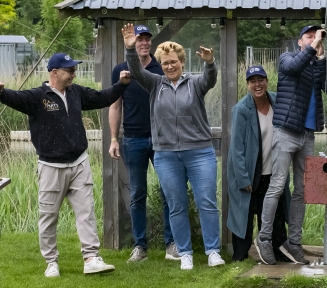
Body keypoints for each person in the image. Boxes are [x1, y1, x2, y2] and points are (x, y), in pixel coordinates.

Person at [0, 52, 130, 277]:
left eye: (74, 69)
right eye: (69, 70)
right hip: (51, 166)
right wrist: (0, 92)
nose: (74, 73)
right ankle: (51, 262)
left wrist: (121, 85)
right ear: (54, 72)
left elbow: (103, 97)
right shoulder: (37, 96)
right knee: (48, 215)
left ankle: (91, 258)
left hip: (79, 162)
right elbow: (15, 99)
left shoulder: (77, 92)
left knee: (86, 212)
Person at [121, 23, 223, 270]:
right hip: (166, 155)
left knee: (206, 202)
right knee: (176, 205)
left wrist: (210, 62)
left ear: (182, 62)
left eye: (173, 61)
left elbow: (211, 79)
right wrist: (130, 50)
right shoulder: (154, 84)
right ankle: (185, 252)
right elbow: (135, 68)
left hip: (199, 152)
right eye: (165, 62)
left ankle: (213, 251)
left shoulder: (195, 83)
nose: (169, 66)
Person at [255, 25, 327, 266]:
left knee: (302, 190)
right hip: (286, 130)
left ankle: (293, 243)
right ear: (299, 42)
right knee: (277, 185)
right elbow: (293, 68)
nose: (314, 40)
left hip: (307, 134)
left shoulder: (314, 63)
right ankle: (264, 238)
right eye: (309, 36)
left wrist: (322, 57)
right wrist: (313, 46)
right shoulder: (287, 57)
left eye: (316, 36)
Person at [108, 24, 174, 263]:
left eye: (147, 39)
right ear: (132, 43)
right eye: (139, 39)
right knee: (137, 193)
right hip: (133, 139)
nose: (144, 43)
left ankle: (171, 244)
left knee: (168, 190)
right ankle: (140, 246)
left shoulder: (162, 67)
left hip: (161, 140)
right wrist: (114, 139)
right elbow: (115, 105)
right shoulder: (120, 70)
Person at [226, 65, 291, 262]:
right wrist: (243, 178)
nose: (257, 84)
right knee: (244, 215)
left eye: (260, 79)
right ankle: (240, 255)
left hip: (274, 172)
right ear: (247, 84)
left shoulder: (276, 101)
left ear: (266, 81)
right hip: (250, 173)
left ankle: (278, 251)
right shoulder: (241, 109)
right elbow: (236, 148)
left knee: (275, 214)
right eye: (252, 81)